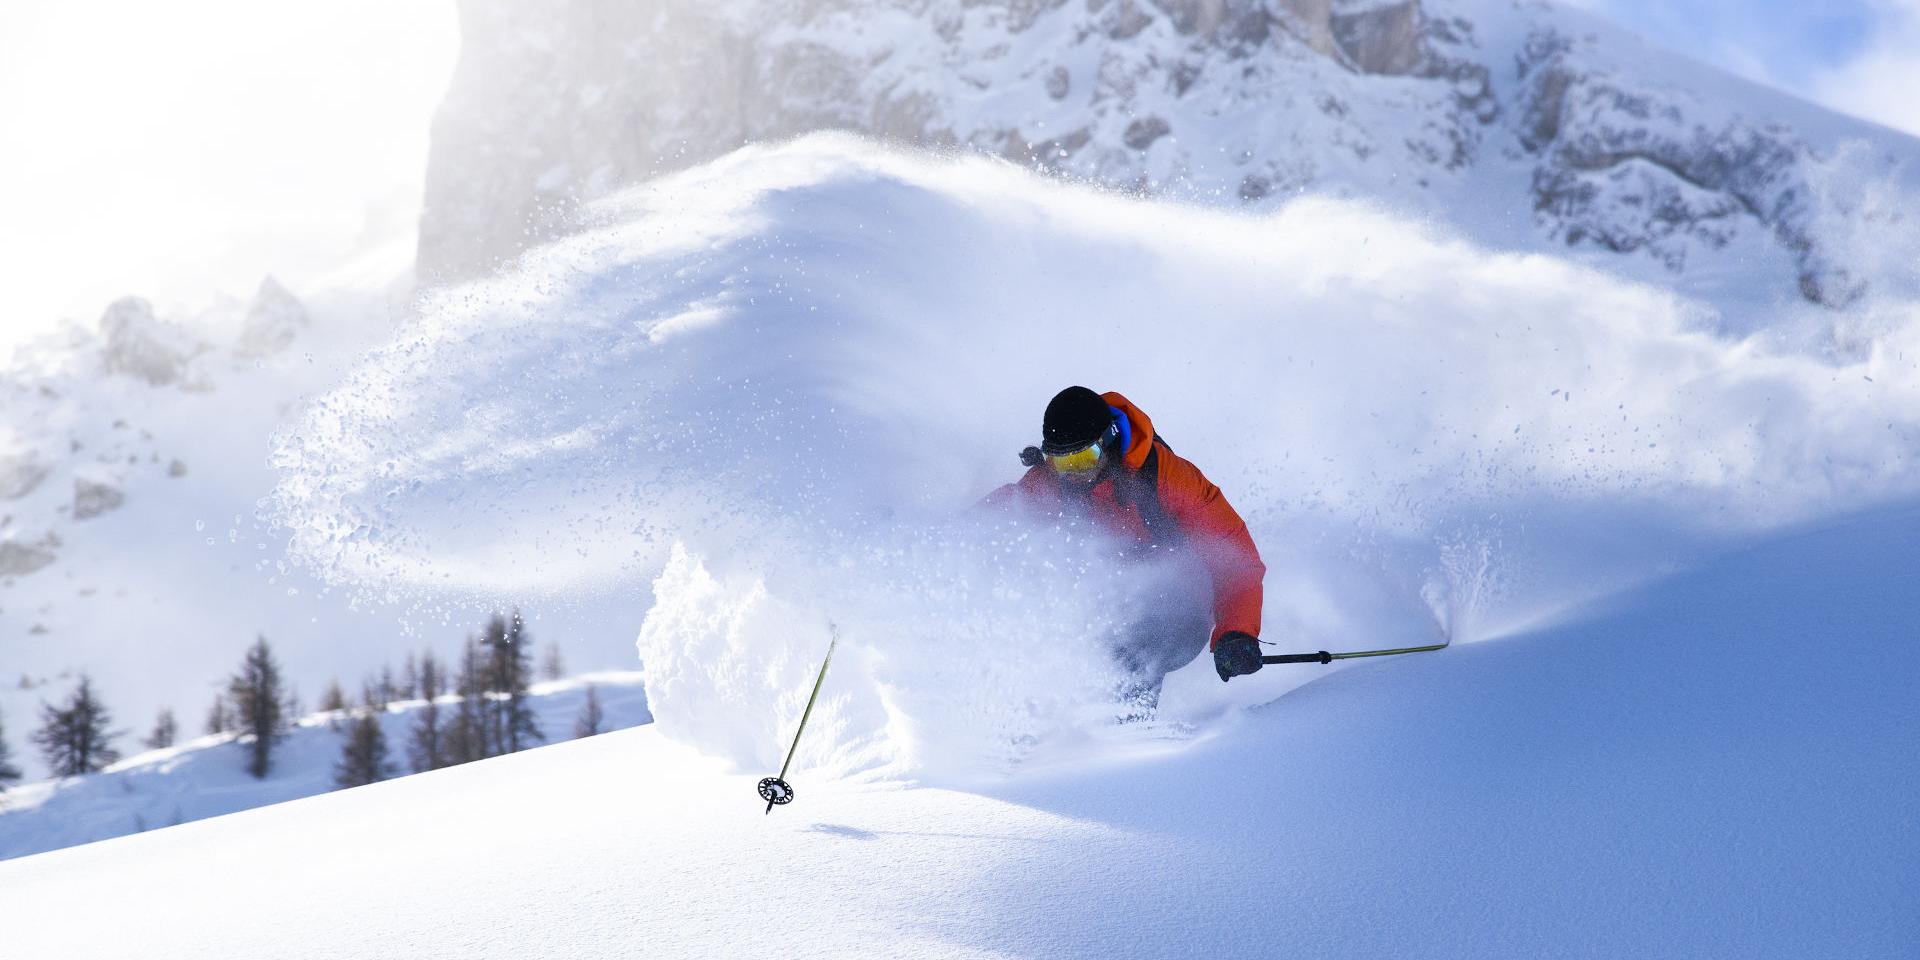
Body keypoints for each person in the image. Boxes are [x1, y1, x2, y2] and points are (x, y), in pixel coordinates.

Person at [987, 386, 1268, 709]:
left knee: (1134, 649)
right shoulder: (1052, 483)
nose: (1075, 473)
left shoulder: (1170, 479)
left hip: (1181, 606)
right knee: (1063, 633)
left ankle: (1124, 741)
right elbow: (997, 521)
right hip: (1106, 605)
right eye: (1063, 463)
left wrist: (1236, 632)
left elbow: (1235, 561)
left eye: (1084, 458)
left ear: (1108, 441)